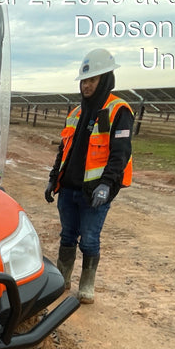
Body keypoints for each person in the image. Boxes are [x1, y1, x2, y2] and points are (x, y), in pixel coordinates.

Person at [45, 48, 133, 304]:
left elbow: (121, 154)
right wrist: (53, 178)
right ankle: (63, 278)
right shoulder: (75, 112)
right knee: (67, 236)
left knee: (90, 239)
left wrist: (106, 184)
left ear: (105, 79)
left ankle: (87, 283)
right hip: (68, 189)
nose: (86, 85)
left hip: (95, 192)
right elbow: (63, 151)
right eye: (84, 81)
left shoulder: (117, 110)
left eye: (92, 80)